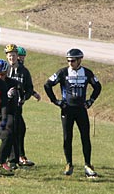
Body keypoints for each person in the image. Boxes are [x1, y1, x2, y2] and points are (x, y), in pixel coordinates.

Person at [43, 48, 102, 178]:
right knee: (67, 137)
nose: (70, 63)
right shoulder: (63, 72)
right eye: (68, 60)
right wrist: (56, 101)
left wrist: (90, 101)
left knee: (85, 137)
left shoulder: (87, 73)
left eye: (73, 60)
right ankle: (69, 164)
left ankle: (88, 164)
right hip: (67, 109)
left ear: (80, 60)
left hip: (81, 109)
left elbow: (98, 87)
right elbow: (47, 85)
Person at [5, 44, 35, 167]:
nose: (12, 58)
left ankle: (17, 157)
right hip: (5, 107)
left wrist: (24, 98)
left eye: (13, 55)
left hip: (18, 107)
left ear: (17, 56)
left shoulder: (24, 71)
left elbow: (29, 88)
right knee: (8, 131)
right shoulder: (4, 69)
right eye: (9, 56)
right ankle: (9, 159)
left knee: (19, 130)